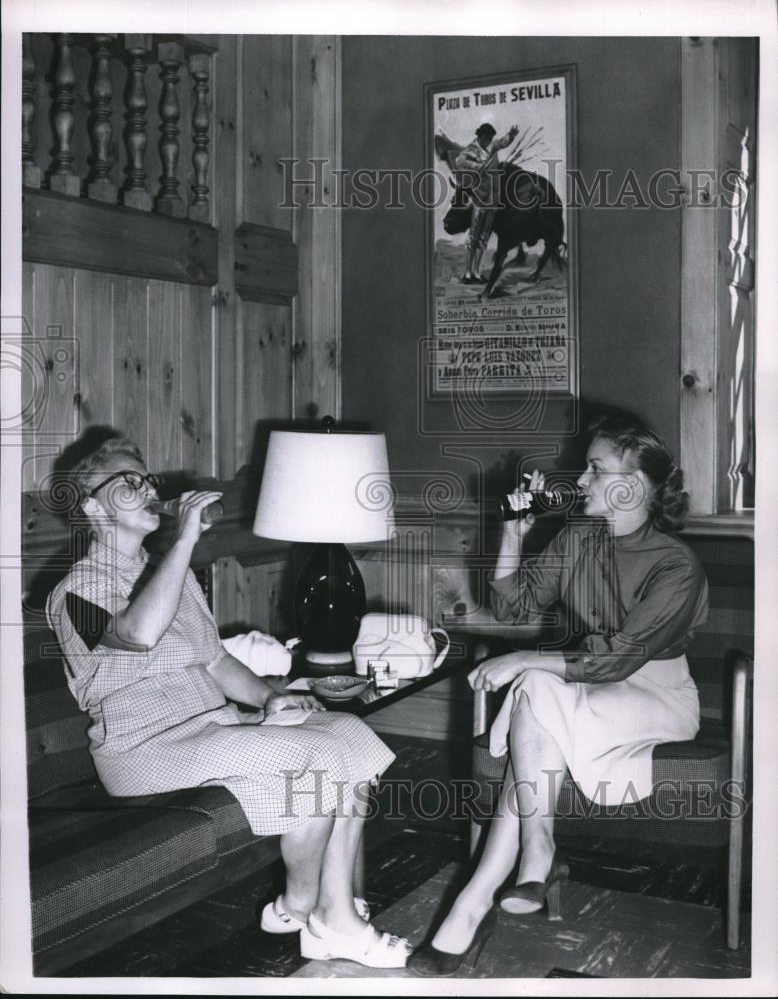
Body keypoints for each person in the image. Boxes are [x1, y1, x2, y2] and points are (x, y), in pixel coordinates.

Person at [45, 432, 411, 969]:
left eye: (147, 480)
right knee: (316, 758)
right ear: (91, 506)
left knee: (349, 734)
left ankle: (327, 913)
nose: (147, 490)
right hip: (142, 750)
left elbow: (215, 660)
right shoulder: (76, 589)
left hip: (212, 727)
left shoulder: (167, 572)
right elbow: (140, 633)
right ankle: (316, 909)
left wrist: (272, 697)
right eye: (128, 483)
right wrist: (186, 541)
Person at [409, 415, 708, 976]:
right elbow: (511, 609)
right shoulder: (578, 538)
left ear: (636, 485)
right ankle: (533, 852)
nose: (582, 480)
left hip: (655, 696)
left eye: (596, 469)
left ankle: (477, 902)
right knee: (537, 691)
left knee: (533, 684)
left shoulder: (676, 565)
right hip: (582, 687)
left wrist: (524, 658)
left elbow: (619, 660)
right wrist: (515, 533)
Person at [454, 121, 519, 284]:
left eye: (491, 138)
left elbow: (503, 142)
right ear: (481, 137)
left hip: (493, 197)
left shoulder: (492, 145)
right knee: (473, 236)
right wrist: (477, 166)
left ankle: (476, 271)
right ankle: (468, 273)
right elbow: (459, 161)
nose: (490, 141)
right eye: (488, 138)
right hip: (480, 196)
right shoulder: (472, 149)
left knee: (484, 237)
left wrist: (511, 135)